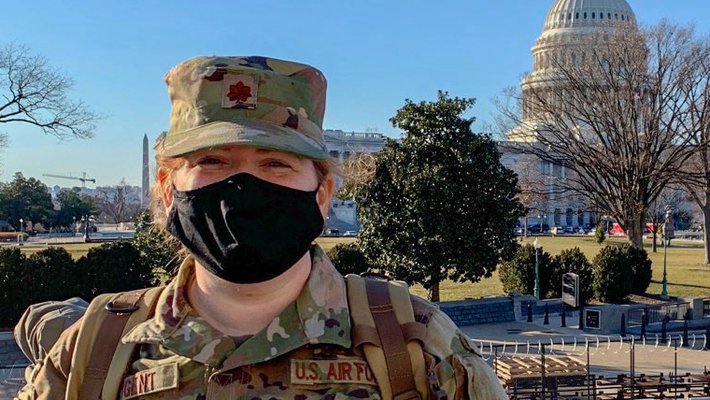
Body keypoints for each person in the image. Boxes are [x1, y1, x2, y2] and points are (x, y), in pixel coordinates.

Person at [15, 56, 507, 399]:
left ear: (322, 193)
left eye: (275, 164)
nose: (242, 188)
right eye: (213, 160)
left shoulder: (415, 341)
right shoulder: (94, 349)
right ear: (167, 190)